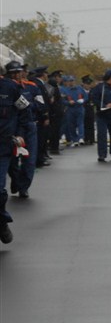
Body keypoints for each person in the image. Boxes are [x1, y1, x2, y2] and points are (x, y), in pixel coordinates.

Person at [6, 61, 38, 199]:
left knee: (29, 159)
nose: (17, 75)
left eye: (18, 72)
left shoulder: (31, 87)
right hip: (11, 127)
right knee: (11, 160)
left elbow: (40, 105)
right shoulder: (5, 88)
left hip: (28, 125)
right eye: (13, 73)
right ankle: (16, 179)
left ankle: (24, 187)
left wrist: (29, 107)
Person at [0, 66, 25, 244]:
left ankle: (1, 223)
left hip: (2, 146)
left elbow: (25, 111)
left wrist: (20, 133)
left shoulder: (10, 88)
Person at [90, 69, 111, 162]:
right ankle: (102, 154)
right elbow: (94, 98)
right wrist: (104, 105)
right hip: (102, 114)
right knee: (102, 135)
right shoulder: (100, 87)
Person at [29, 67, 51, 167]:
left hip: (39, 115)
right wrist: (45, 116)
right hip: (39, 116)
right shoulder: (38, 85)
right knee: (41, 138)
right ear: (43, 74)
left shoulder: (39, 84)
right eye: (46, 73)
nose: (47, 75)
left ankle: (40, 158)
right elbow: (41, 102)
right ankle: (39, 159)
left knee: (42, 138)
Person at [63, 75, 88, 147]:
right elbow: (62, 100)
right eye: (70, 81)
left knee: (80, 123)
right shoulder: (65, 90)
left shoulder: (80, 88)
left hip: (79, 107)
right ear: (67, 82)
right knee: (71, 125)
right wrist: (68, 103)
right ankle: (74, 140)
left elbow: (86, 96)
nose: (71, 82)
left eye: (72, 81)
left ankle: (81, 138)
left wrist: (83, 100)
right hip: (70, 109)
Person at [47, 69, 65, 155]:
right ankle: (54, 147)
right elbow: (52, 100)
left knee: (56, 130)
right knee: (54, 130)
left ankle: (55, 146)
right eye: (59, 77)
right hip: (54, 113)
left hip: (57, 112)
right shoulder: (52, 86)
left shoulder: (55, 86)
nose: (60, 79)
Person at [81, 75, 95, 145]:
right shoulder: (80, 91)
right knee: (84, 125)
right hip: (83, 109)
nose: (88, 85)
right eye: (87, 84)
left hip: (90, 109)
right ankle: (85, 138)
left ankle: (91, 139)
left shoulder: (92, 91)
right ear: (83, 84)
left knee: (91, 125)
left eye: (89, 84)